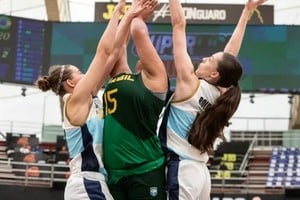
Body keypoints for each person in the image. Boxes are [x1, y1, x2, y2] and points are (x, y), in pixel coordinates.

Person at [163, 0, 268, 199]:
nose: (203, 59)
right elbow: (230, 56)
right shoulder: (220, 94)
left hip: (182, 168)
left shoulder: (189, 84)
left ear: (214, 74)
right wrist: (246, 11)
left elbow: (178, 25)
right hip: (201, 173)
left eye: (209, 59)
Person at [35, 0, 132, 199]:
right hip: (86, 182)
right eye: (79, 72)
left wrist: (130, 18)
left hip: (94, 181)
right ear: (70, 83)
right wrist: (118, 11)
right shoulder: (74, 99)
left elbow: (113, 54)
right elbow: (103, 53)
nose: (85, 74)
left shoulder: (88, 96)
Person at [100, 0, 168, 199]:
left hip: (144, 168)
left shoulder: (156, 81)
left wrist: (138, 12)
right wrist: (125, 10)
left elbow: (138, 32)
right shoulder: (122, 75)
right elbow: (117, 45)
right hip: (114, 173)